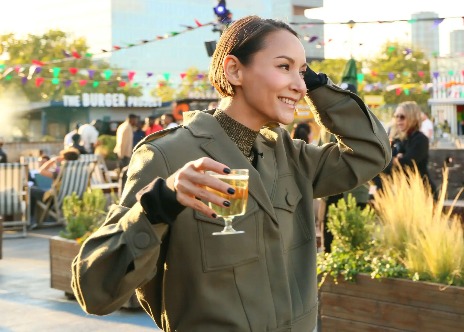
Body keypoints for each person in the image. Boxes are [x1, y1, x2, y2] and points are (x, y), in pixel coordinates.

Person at [71, 16, 390, 332]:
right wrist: (157, 205)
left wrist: (319, 86)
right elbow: (95, 291)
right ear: (235, 70)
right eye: (284, 66)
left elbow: (371, 152)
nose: (300, 84)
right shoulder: (165, 156)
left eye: (303, 71)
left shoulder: (291, 156)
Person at [390, 101, 437, 197]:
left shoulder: (420, 139)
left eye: (402, 117)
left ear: (412, 118)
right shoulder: (397, 139)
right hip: (402, 191)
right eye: (396, 116)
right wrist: (397, 159)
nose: (398, 120)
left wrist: (397, 159)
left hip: (421, 192)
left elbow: (408, 162)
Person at [29, 148, 80, 229]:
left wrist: (52, 160)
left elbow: (41, 170)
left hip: (57, 198)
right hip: (76, 197)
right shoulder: (80, 171)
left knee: (30, 190)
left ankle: (32, 220)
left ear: (63, 158)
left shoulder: (61, 171)